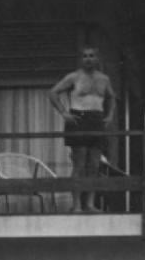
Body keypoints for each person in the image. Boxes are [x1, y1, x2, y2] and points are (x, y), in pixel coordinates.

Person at [48, 47, 116, 212]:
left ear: (97, 58)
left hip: (97, 119)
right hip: (79, 118)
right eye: (85, 56)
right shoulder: (74, 77)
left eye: (91, 56)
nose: (88, 59)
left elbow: (112, 97)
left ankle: (90, 203)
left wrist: (110, 115)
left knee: (94, 164)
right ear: (81, 59)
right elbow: (53, 92)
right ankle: (77, 205)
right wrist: (64, 112)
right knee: (79, 163)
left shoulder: (104, 79)